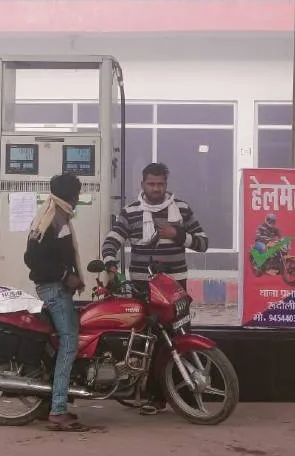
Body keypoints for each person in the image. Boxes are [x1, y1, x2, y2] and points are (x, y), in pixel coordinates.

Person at [101, 162, 209, 415]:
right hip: (142, 287)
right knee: (147, 340)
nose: (156, 189)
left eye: (160, 184)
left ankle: (186, 395)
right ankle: (154, 397)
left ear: (166, 185)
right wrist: (110, 265)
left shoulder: (181, 209)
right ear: (142, 185)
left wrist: (178, 234)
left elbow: (203, 243)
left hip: (175, 288)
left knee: (180, 338)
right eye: (151, 184)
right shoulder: (131, 212)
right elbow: (111, 240)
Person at [23, 172, 88, 432]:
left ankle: (50, 400)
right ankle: (58, 409)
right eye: (78, 194)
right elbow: (33, 259)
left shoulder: (54, 213)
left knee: (61, 341)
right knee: (70, 341)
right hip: (53, 288)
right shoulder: (53, 217)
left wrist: (73, 277)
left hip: (56, 286)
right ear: (72, 195)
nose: (79, 198)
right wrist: (65, 276)